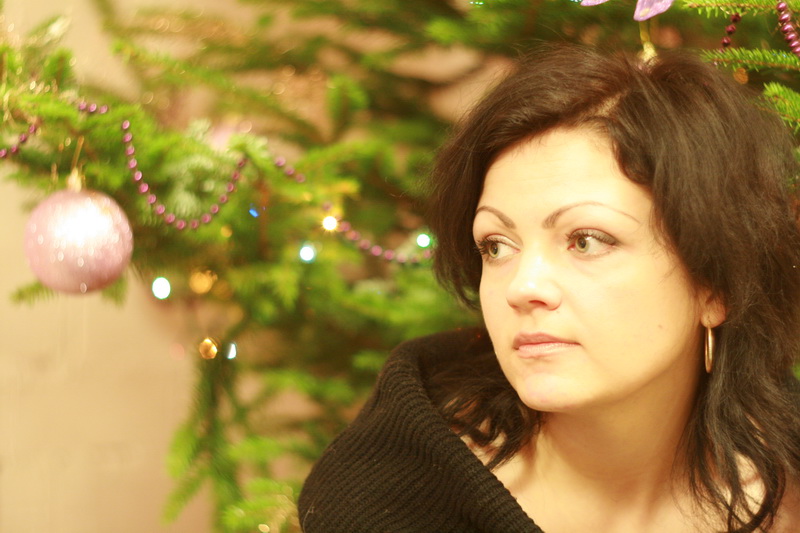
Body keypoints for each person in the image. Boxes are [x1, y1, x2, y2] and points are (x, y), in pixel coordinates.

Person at [297, 44, 800, 532]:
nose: (522, 286)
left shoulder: (788, 485)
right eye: (496, 245)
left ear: (715, 285)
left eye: (585, 241)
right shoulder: (384, 501)